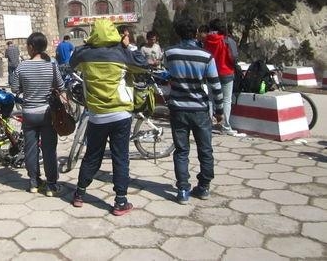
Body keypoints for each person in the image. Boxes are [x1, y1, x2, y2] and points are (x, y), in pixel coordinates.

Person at [69, 19, 149, 216]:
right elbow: (143, 64)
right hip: (121, 114)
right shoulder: (122, 53)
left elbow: (71, 62)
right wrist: (128, 45)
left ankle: (79, 194)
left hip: (96, 115)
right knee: (120, 157)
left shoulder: (84, 54)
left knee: (92, 155)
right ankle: (120, 201)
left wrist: (88, 43)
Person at [163, 17, 223, 204]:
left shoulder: (170, 53)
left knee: (181, 150)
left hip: (178, 108)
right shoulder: (206, 56)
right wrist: (219, 110)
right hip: (200, 109)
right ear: (196, 32)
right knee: (205, 149)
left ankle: (182, 190)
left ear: (178, 33)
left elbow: (167, 74)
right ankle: (204, 187)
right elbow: (215, 85)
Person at [11, 32, 64, 196]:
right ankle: (51, 186)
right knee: (49, 149)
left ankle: (34, 183)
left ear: (31, 47)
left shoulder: (22, 66)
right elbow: (61, 85)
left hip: (29, 113)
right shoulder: (52, 64)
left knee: (31, 149)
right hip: (47, 113)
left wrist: (27, 88)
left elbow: (14, 88)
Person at [204, 18, 240, 136]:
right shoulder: (227, 40)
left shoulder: (207, 40)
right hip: (226, 71)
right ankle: (226, 126)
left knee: (210, 99)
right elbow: (234, 57)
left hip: (211, 73)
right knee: (226, 100)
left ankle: (209, 124)